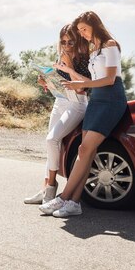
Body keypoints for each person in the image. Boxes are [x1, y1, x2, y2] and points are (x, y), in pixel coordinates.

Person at [39, 11, 127, 217]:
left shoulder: (110, 45)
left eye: (84, 29)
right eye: (80, 30)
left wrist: (83, 84)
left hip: (112, 99)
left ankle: (63, 198)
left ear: (95, 25)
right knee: (85, 151)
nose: (83, 34)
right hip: (96, 99)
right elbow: (90, 81)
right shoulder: (94, 49)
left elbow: (111, 79)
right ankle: (74, 203)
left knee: (86, 148)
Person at [24, 24, 90, 205]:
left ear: (78, 41)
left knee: (51, 139)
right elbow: (60, 82)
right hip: (60, 101)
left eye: (71, 42)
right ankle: (46, 189)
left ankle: (52, 186)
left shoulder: (85, 59)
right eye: (64, 42)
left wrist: (69, 65)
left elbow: (84, 86)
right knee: (51, 145)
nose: (67, 45)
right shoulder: (60, 56)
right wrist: (45, 81)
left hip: (77, 103)